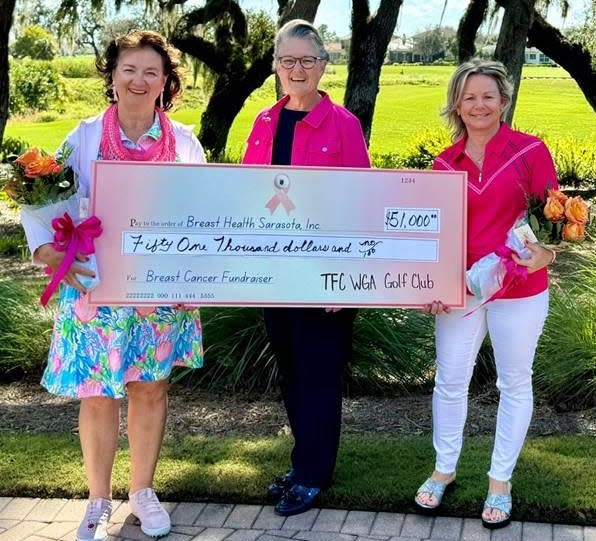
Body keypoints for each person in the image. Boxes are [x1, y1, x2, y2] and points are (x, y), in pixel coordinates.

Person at [19, 31, 205, 540]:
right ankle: (96, 501)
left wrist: (201, 275)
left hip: (158, 293)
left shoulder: (185, 142)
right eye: (129, 70)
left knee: (150, 390)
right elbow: (39, 197)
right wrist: (45, 249)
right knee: (98, 395)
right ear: (112, 76)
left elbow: (206, 214)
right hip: (95, 290)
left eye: (151, 72)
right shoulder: (81, 137)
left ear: (166, 82)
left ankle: (142, 492)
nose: (140, 80)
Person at [413, 59, 558, 529]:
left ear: (504, 101)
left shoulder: (530, 151)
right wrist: (431, 285)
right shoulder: (441, 164)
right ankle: (444, 470)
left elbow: (556, 219)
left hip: (519, 287)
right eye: (469, 96)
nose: (479, 105)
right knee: (450, 381)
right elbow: (432, 235)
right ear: (457, 102)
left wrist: (547, 254)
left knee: (514, 382)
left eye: (488, 96)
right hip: (461, 291)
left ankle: (500, 482)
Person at [241, 19, 371, 516]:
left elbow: (360, 203)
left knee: (318, 376)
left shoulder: (343, 125)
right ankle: (303, 463)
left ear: (323, 66)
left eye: (307, 60)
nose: (297, 69)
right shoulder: (263, 122)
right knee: (292, 373)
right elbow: (249, 198)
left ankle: (314, 474)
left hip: (325, 277)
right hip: (275, 274)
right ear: (275, 66)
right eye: (288, 60)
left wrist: (347, 281)